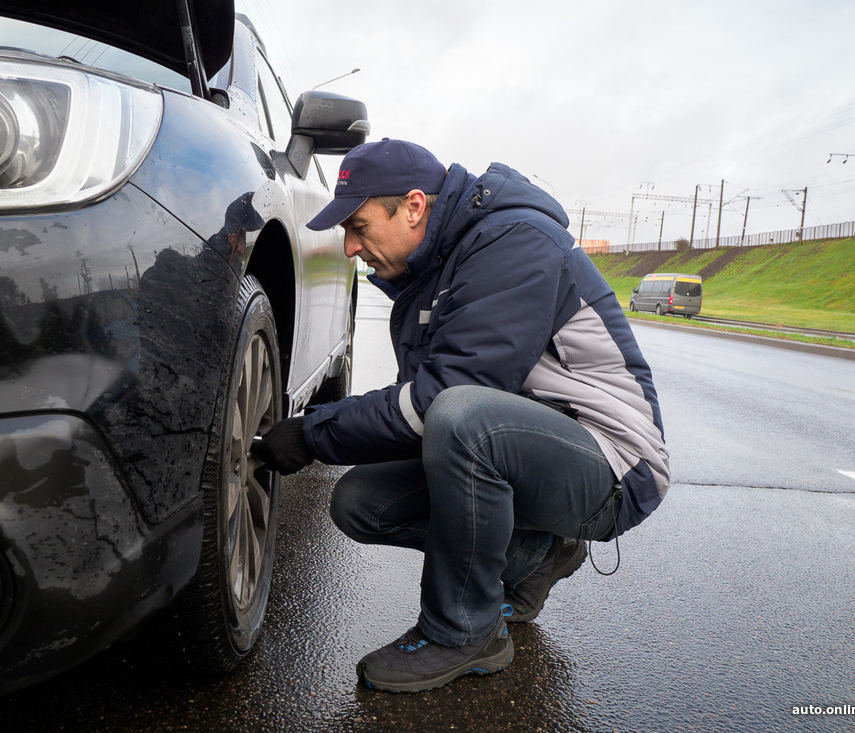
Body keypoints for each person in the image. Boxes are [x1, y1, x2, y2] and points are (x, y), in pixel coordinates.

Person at [251, 138, 670, 693]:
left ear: (415, 206)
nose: (350, 247)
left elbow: (440, 402)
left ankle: (464, 632)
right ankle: (539, 553)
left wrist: (313, 432)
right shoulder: (439, 271)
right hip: (534, 448)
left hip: (614, 463)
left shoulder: (514, 242)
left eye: (359, 225)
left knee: (461, 417)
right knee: (361, 504)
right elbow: (419, 411)